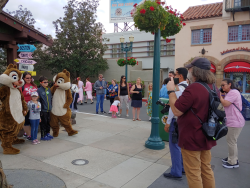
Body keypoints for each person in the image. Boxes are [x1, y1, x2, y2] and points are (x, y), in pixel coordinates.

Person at [167, 57, 216, 188]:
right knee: (206, 169)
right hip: (207, 134)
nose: (189, 70)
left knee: (193, 172)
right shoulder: (212, 86)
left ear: (195, 71)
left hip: (192, 136)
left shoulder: (194, 88)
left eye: (190, 68)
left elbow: (177, 110)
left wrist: (171, 91)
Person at [163, 67, 188, 179]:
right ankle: (182, 168)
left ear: (180, 76)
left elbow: (174, 107)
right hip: (184, 121)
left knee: (174, 146)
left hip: (176, 121)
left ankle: (176, 171)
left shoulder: (177, 88)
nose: (173, 77)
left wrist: (168, 122)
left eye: (175, 75)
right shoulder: (187, 87)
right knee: (181, 145)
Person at [220, 78, 245, 169]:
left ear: (230, 84)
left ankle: (233, 162)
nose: (222, 87)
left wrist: (220, 96)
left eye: (223, 85)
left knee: (231, 142)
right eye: (221, 85)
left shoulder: (234, 92)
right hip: (232, 121)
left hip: (235, 121)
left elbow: (225, 104)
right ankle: (232, 157)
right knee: (231, 141)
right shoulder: (230, 93)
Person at [20, 72, 38, 141]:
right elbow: (19, 96)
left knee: (32, 121)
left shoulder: (34, 85)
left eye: (30, 78)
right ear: (23, 78)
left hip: (34, 106)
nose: (29, 79)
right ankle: (28, 135)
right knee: (26, 121)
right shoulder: (21, 86)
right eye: (27, 78)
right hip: (26, 106)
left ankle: (26, 133)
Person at [37, 76, 53, 141]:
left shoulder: (48, 89)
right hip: (43, 110)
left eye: (47, 82)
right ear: (41, 83)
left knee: (48, 122)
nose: (46, 83)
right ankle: (43, 136)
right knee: (43, 123)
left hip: (49, 109)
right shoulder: (39, 90)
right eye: (45, 82)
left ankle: (47, 133)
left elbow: (50, 99)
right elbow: (38, 101)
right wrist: (40, 110)